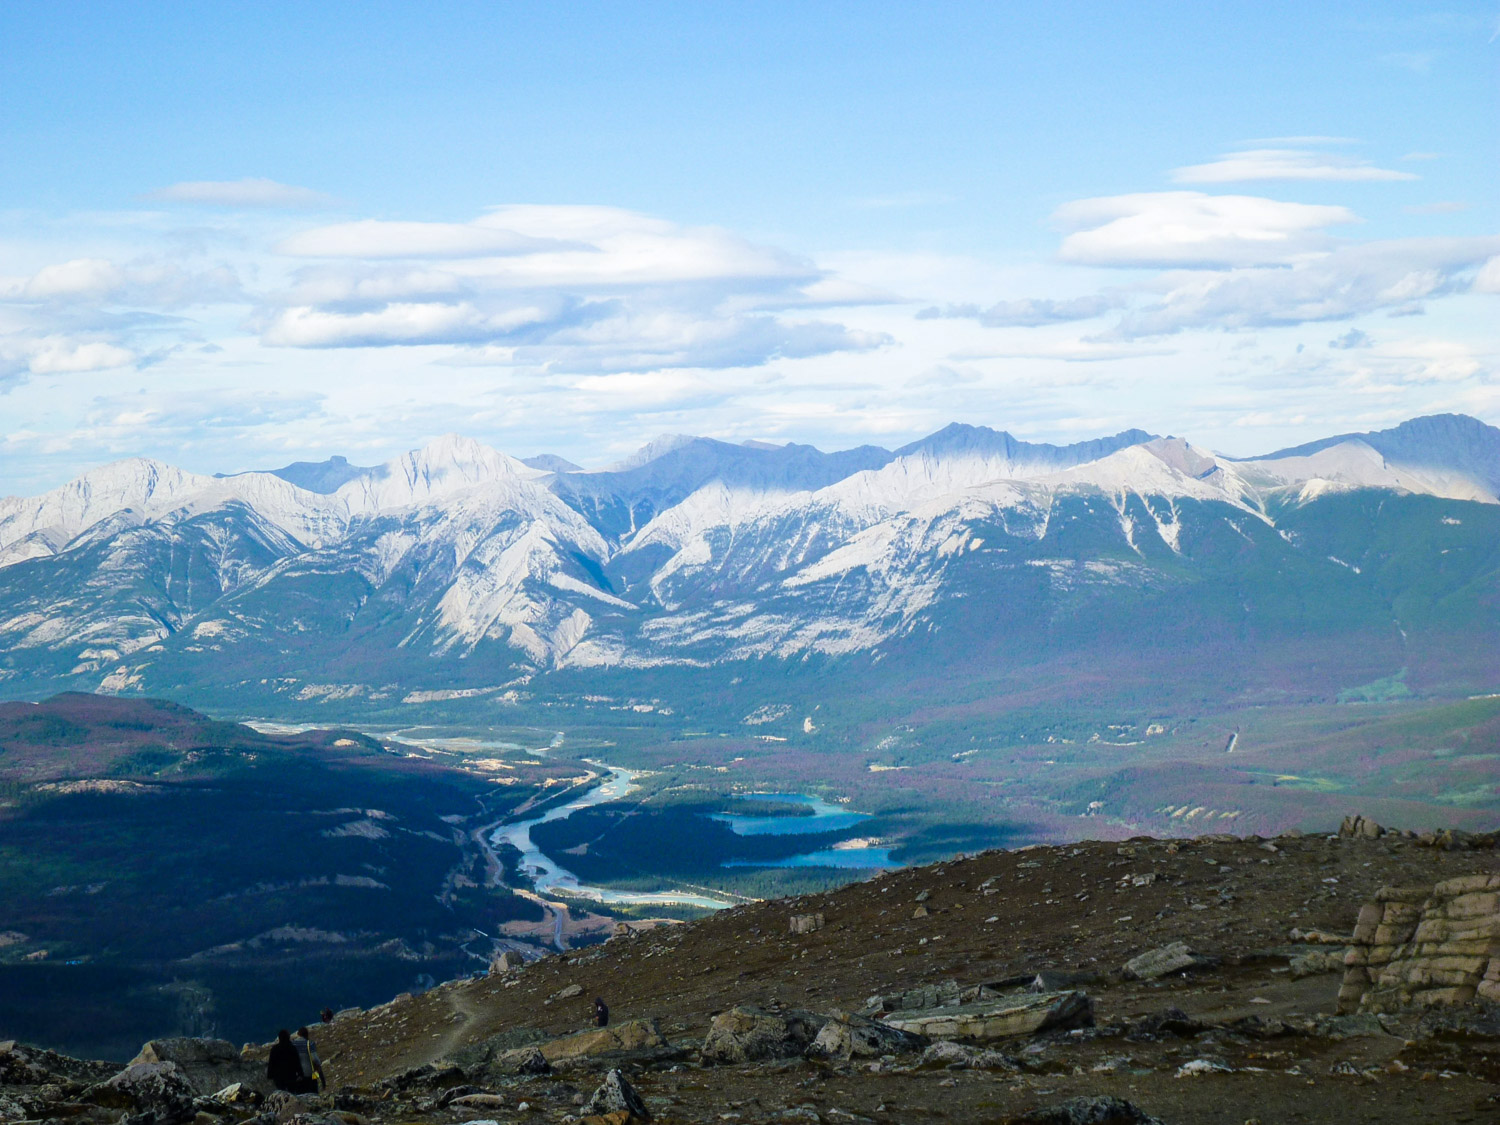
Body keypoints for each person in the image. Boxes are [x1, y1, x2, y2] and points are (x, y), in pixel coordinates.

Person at [292, 1026, 324, 1093]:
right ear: (306, 1035)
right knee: (313, 1093)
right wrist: (322, 1079)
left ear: (298, 1034)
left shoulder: (292, 1044)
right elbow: (315, 1060)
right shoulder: (310, 1044)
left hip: (297, 1076)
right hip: (311, 1074)